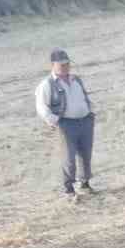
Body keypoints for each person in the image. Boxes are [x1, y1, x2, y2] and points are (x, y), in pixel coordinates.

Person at [34, 49, 96, 198]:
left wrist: (90, 111)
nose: (65, 67)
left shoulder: (76, 79)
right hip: (66, 125)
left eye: (67, 64)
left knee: (86, 154)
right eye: (61, 65)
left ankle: (85, 184)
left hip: (85, 121)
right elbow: (42, 107)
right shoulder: (46, 84)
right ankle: (69, 189)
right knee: (68, 158)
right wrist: (55, 122)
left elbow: (83, 97)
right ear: (52, 65)